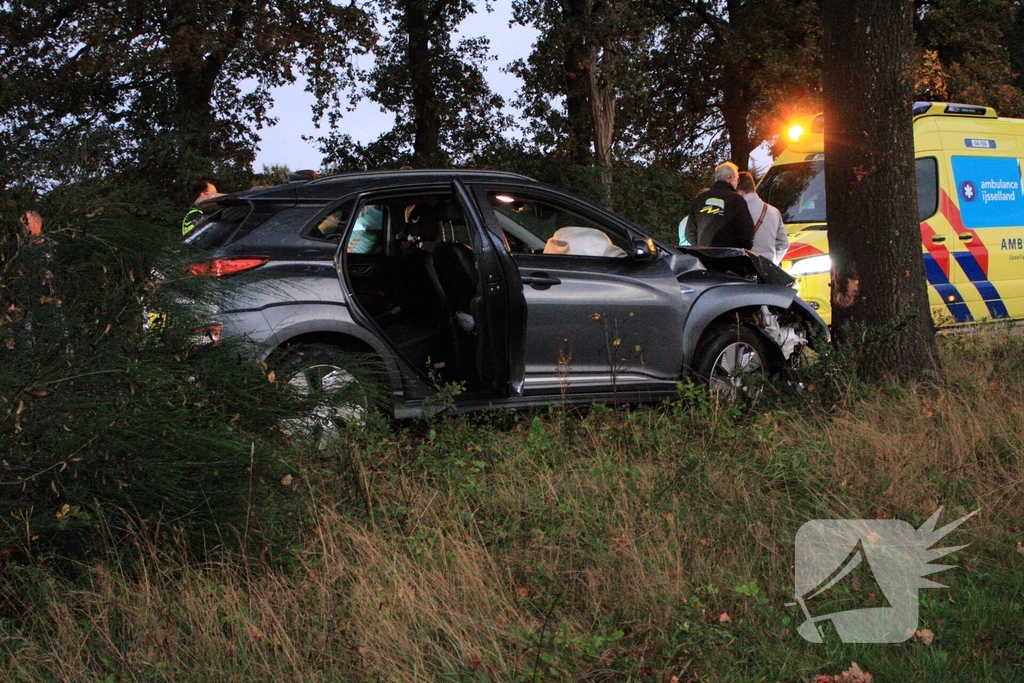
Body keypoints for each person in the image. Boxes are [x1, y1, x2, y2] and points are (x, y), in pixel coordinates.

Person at [685, 162, 756, 249]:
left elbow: (689, 233)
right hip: (729, 255)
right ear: (731, 178)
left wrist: (702, 248)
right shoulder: (736, 200)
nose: (737, 183)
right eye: (737, 179)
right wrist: (737, 250)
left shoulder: (700, 199)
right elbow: (747, 233)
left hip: (704, 255)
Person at [736, 171, 789, 264]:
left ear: (740, 193)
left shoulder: (736, 211)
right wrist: (773, 262)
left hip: (744, 266)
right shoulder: (774, 212)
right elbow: (783, 244)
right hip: (767, 267)